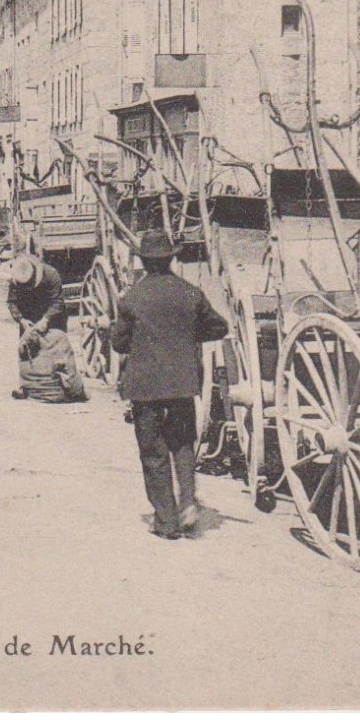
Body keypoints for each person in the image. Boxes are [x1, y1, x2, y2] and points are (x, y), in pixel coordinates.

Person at [110, 230, 229, 540]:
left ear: (144, 262)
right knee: (182, 443)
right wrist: (188, 336)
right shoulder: (190, 293)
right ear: (171, 259)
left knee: (153, 451)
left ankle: (166, 521)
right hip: (181, 383)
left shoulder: (131, 298)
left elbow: (118, 344)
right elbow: (219, 326)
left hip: (146, 387)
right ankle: (188, 503)